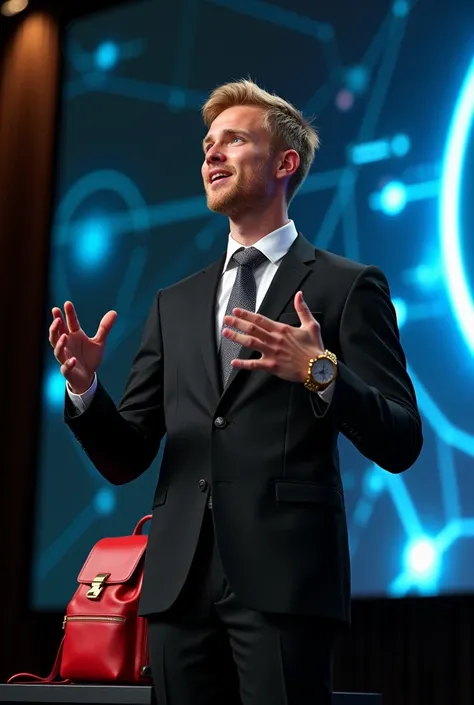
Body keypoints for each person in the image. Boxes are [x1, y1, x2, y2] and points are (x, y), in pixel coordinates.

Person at [49, 79, 423, 705]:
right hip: (177, 590)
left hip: (286, 584)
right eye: (207, 145)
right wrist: (86, 391)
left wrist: (319, 371)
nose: (211, 156)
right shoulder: (176, 303)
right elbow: (128, 455)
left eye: (234, 140)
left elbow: (403, 438)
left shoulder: (346, 286)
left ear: (285, 163)